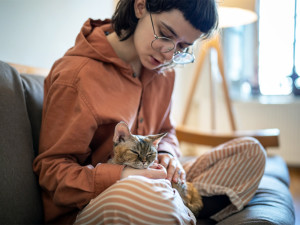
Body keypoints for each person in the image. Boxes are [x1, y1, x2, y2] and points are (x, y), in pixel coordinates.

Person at [33, 0, 266, 224]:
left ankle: (176, 207)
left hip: (155, 179)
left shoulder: (164, 73)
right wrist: (123, 176)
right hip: (98, 202)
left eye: (183, 46)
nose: (168, 54)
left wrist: (168, 155)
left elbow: (166, 131)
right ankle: (172, 208)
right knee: (141, 195)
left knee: (252, 152)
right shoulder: (76, 76)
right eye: (165, 34)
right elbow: (51, 171)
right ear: (140, 6)